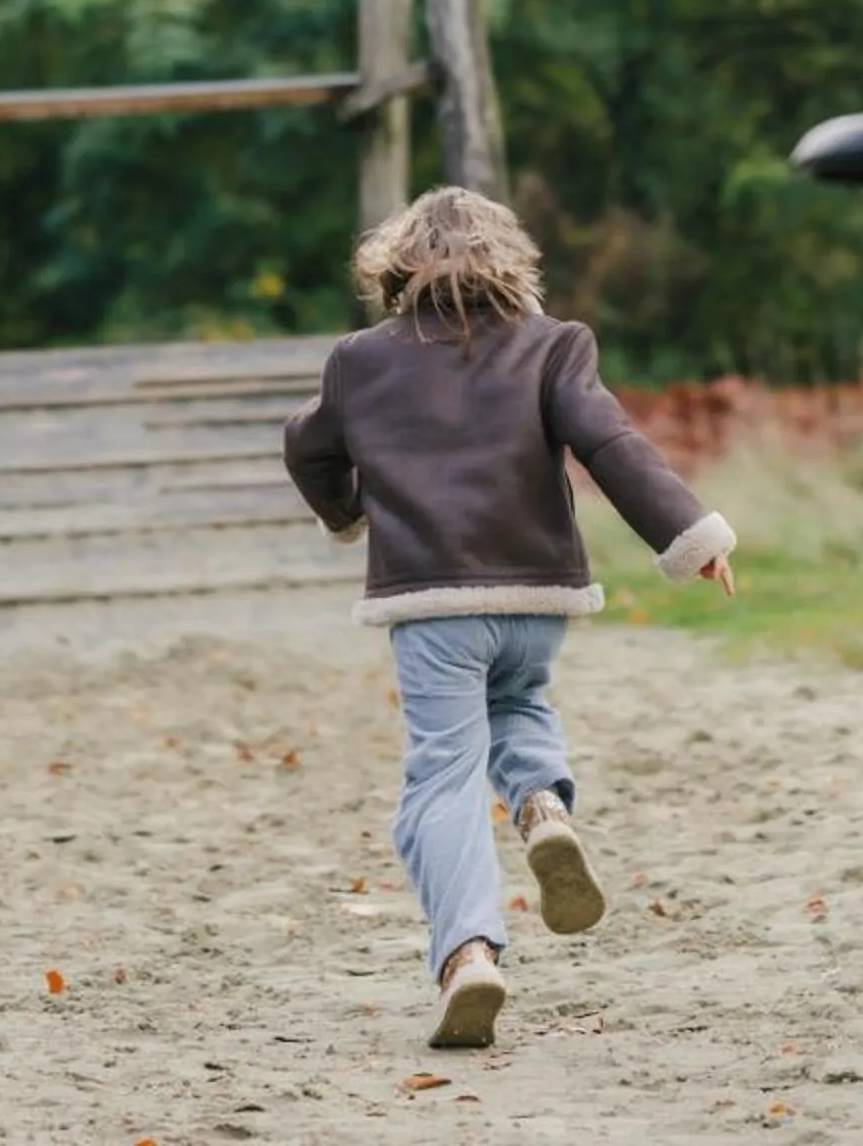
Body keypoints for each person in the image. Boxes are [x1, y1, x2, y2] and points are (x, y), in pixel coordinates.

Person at [282, 185, 740, 1051]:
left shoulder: (359, 361)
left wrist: (345, 512)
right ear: (509, 263)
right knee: (521, 703)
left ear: (397, 268)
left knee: (441, 778)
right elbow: (611, 444)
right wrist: (690, 535)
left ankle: (468, 954)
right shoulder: (555, 347)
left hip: (433, 605)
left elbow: (304, 443)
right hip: (537, 598)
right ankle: (542, 808)